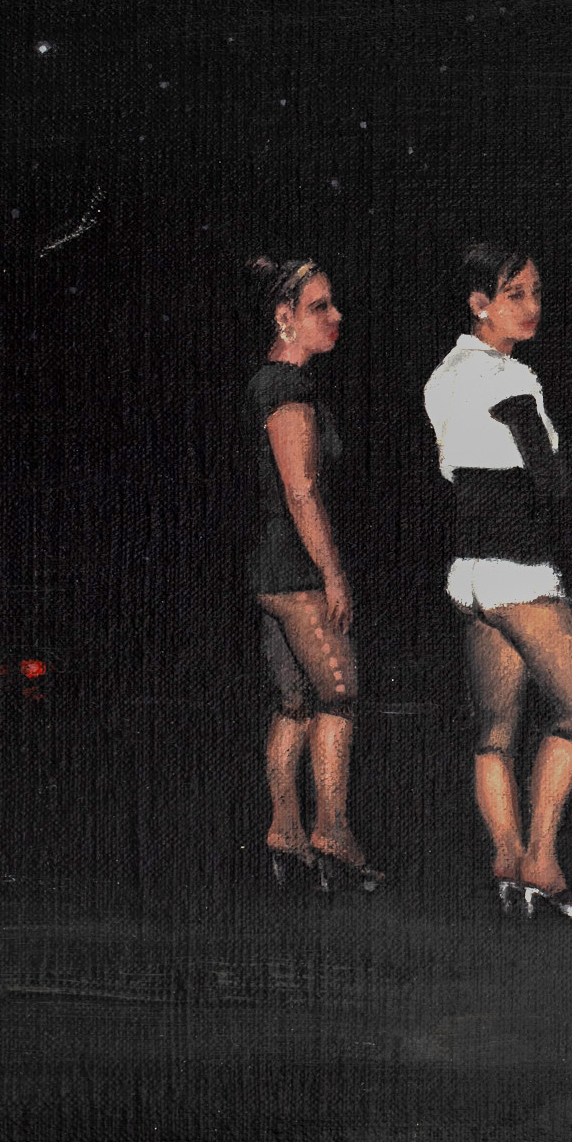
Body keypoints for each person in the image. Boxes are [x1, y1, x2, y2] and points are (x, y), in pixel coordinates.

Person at [424, 243, 572, 921]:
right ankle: (542, 863)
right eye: (515, 294)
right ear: (480, 303)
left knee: (496, 728)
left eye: (535, 292)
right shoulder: (507, 376)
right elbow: (552, 480)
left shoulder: (444, 374)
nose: (532, 306)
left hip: (468, 573)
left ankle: (507, 861)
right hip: (516, 569)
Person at [244, 255, 383, 894]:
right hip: (295, 567)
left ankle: (285, 835)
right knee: (340, 694)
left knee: (294, 701)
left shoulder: (272, 384)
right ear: (284, 318)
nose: (336, 317)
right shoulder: (286, 388)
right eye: (319, 307)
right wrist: (334, 574)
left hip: (269, 565)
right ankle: (331, 834)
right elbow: (301, 492)